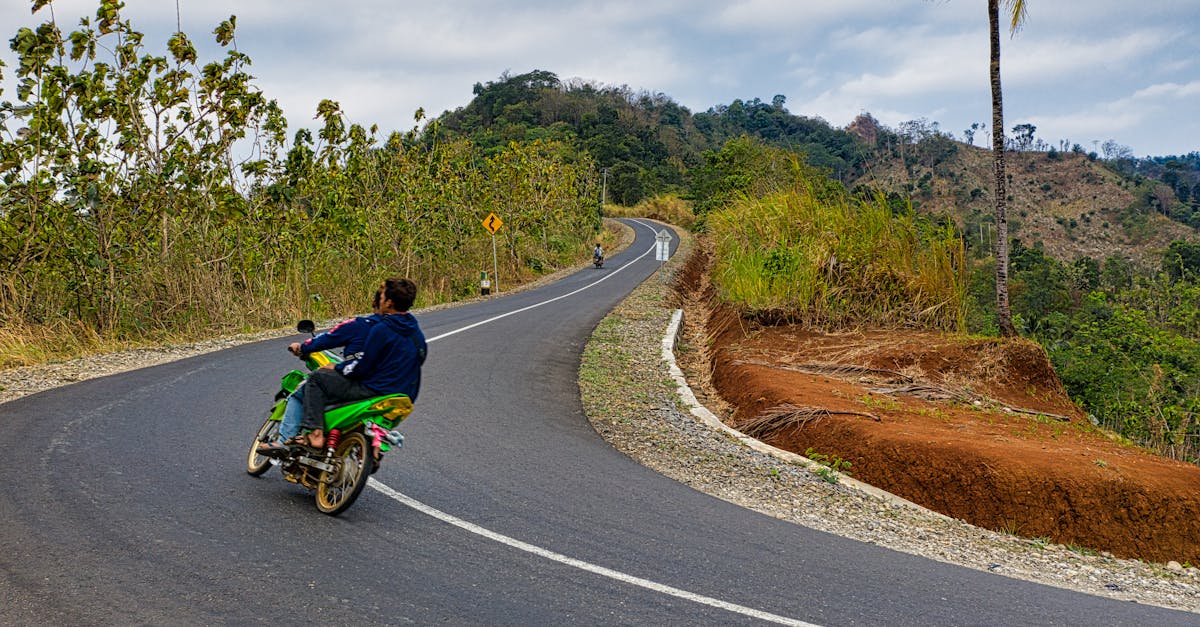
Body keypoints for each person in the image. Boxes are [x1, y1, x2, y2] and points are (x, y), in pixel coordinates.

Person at [294, 277, 427, 450]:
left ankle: (315, 433)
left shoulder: (381, 329)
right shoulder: (416, 333)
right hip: (405, 395)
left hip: (376, 389)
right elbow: (419, 359)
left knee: (317, 378)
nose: (379, 299)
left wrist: (338, 367)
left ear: (388, 303)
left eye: (382, 296)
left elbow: (362, 366)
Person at [257, 288, 383, 454]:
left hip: (356, 382)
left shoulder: (360, 325)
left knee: (309, 386)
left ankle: (291, 439)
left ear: (376, 303)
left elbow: (329, 338)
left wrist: (302, 347)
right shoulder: (404, 333)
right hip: (383, 388)